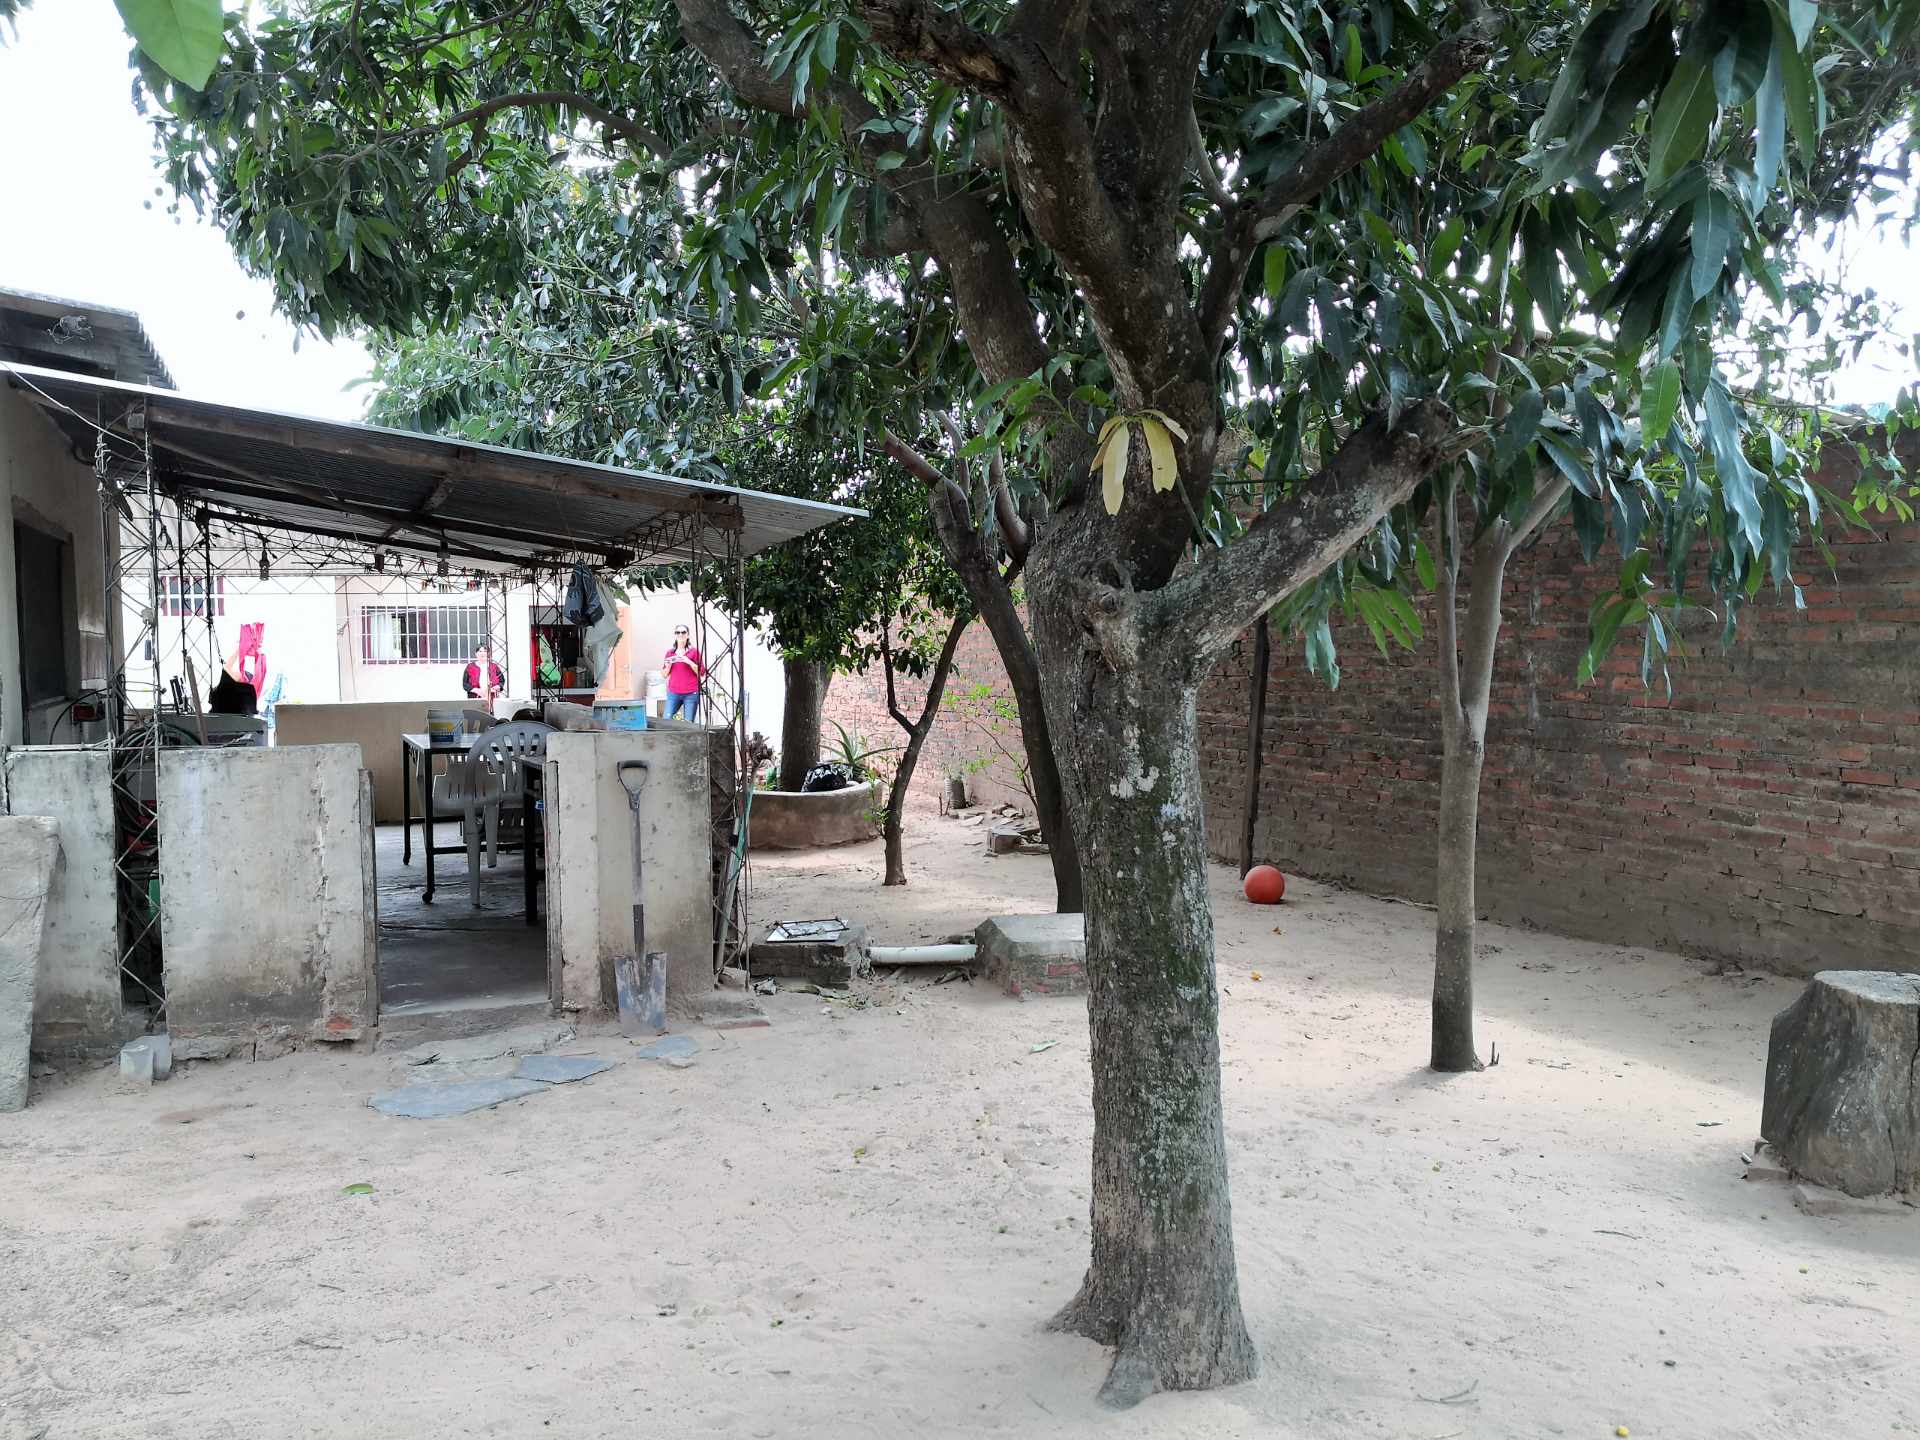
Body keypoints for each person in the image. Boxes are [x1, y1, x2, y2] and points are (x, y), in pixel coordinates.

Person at [663, 625, 702, 722]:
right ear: (675, 635)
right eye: (678, 632)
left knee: (688, 723)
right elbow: (664, 675)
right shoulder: (670, 653)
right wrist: (668, 666)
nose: (681, 634)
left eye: (683, 632)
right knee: (666, 720)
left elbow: (701, 672)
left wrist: (689, 661)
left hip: (691, 693)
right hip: (673, 692)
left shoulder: (694, 652)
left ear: (688, 635)